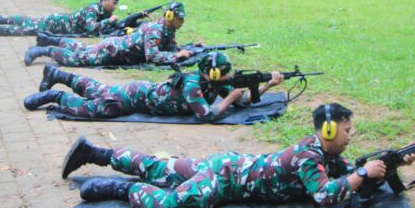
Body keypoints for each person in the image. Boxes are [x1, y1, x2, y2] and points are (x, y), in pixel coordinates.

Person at [62, 103, 415, 208]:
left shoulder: (323, 153)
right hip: (226, 181)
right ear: (327, 130)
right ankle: (123, 190)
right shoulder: (310, 157)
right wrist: (362, 173)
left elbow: (348, 174)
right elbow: (325, 195)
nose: (350, 135)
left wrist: (391, 164)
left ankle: (97, 153)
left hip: (228, 166)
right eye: (346, 130)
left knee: (161, 168)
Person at [24, 52, 284, 122]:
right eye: (224, 73)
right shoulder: (193, 85)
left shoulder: (213, 82)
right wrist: (229, 99)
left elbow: (243, 102)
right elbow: (206, 115)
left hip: (139, 91)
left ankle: (58, 73)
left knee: (98, 89)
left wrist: (266, 85)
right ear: (212, 73)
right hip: (132, 99)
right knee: (92, 108)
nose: (228, 77)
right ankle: (56, 95)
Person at [23, 1, 192, 67]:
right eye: (180, 19)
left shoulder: (168, 29)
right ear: (170, 17)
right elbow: (152, 56)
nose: (182, 22)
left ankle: (49, 40)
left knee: (83, 48)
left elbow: (171, 46)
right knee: (77, 58)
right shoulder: (156, 30)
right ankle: (43, 50)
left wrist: (184, 50)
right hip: (113, 51)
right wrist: (176, 56)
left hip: (114, 46)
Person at [0, 0, 120, 38]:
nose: (114, 7)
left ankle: (3, 19)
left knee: (30, 21)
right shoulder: (93, 10)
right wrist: (110, 21)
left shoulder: (100, 11)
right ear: (105, 0)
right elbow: (91, 28)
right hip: (53, 24)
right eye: (113, 3)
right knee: (24, 30)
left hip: (55, 21)